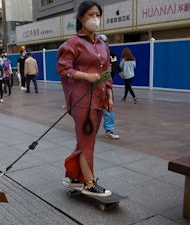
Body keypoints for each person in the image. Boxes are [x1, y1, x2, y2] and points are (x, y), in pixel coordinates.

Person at [56, 1, 112, 197]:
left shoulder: (102, 45)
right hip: (81, 100)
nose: (95, 18)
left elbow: (107, 71)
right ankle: (89, 182)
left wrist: (109, 94)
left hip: (98, 98)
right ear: (81, 18)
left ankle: (72, 176)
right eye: (90, 14)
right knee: (87, 142)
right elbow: (63, 68)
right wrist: (86, 76)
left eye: (98, 14)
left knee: (85, 141)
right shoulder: (72, 44)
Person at [98, 34, 121, 139]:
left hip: (106, 85)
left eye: (106, 45)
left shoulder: (111, 54)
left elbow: (114, 68)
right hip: (94, 86)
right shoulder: (93, 56)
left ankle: (109, 130)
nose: (104, 48)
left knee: (109, 106)